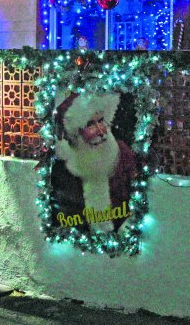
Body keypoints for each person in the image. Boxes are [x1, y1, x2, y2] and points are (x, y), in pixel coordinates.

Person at [50, 92, 137, 232]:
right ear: (76, 132)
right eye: (90, 124)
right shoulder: (63, 170)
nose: (101, 131)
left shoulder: (123, 154)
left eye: (101, 121)